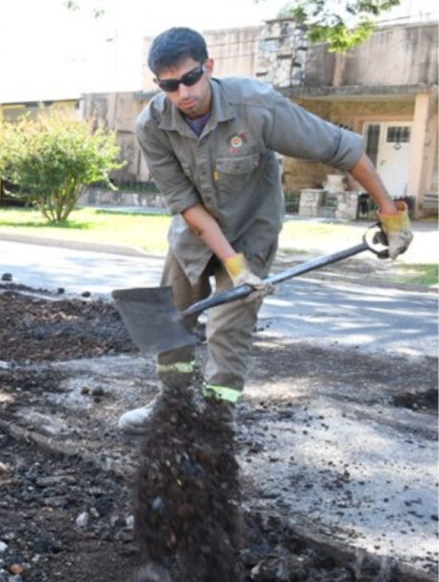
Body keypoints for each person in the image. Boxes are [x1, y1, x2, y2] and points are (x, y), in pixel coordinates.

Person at [118, 27, 413, 433]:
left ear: (208, 67)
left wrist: (390, 214)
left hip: (251, 230)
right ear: (158, 84)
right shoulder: (152, 125)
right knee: (170, 319)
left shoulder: (255, 106)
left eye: (190, 78)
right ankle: (170, 404)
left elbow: (344, 149)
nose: (183, 93)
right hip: (194, 235)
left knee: (227, 326)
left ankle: (217, 417)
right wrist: (231, 264)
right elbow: (185, 204)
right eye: (170, 85)